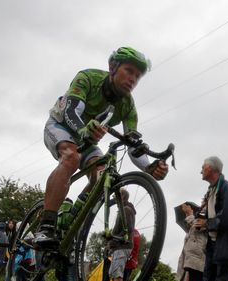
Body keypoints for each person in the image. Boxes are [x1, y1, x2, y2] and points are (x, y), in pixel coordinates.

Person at [34, 46, 168, 247]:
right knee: (71, 157)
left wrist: (148, 167)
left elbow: (132, 143)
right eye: (129, 71)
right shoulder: (88, 78)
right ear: (113, 67)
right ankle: (46, 226)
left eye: (138, 76)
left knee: (102, 176)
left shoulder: (128, 106)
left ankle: (71, 217)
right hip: (60, 126)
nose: (133, 79)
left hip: (87, 141)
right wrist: (83, 130)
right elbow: (71, 111)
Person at [177, 202, 208, 281]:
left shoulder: (205, 224)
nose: (198, 220)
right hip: (190, 260)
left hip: (198, 260)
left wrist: (189, 213)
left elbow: (196, 224)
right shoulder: (192, 230)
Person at [106, 188, 136, 281]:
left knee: (117, 273)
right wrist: (110, 237)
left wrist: (114, 238)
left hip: (122, 246)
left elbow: (128, 229)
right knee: (113, 273)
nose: (113, 198)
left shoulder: (126, 210)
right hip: (119, 246)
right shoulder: (123, 209)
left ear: (122, 197)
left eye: (115, 196)